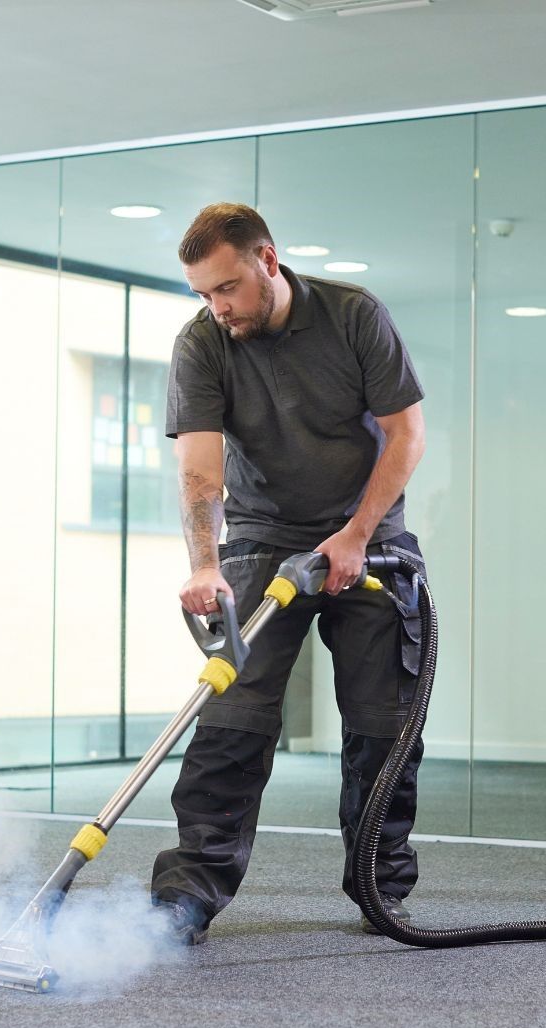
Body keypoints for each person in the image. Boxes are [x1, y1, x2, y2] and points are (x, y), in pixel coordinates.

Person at [149, 203, 428, 945]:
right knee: (231, 721)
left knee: (383, 727)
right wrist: (205, 565)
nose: (219, 307)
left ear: (267, 260)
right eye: (203, 294)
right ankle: (188, 894)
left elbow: (407, 435)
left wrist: (356, 534)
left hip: (369, 541)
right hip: (264, 537)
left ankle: (379, 885)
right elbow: (201, 468)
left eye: (228, 287)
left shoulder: (353, 316)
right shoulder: (203, 341)